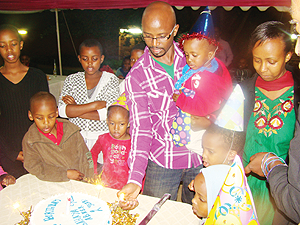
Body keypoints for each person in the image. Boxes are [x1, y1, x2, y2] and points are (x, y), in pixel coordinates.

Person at [118, 1, 202, 209]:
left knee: (199, 217)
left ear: (175, 30)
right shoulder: (137, 76)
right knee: (157, 216)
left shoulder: (194, 58)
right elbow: (141, 128)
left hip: (200, 156)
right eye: (147, 35)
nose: (154, 43)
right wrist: (136, 178)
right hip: (163, 159)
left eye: (161, 36)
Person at [244, 1, 300, 224]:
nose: (262, 68)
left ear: (288, 56)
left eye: (271, 61)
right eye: (257, 60)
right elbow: (232, 133)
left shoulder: (297, 94)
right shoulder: (246, 91)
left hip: (282, 188)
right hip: (246, 182)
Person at [170, 7, 232, 154]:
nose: (189, 60)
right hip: (192, 117)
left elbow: (204, 106)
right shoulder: (198, 68)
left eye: (194, 55)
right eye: (186, 54)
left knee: (196, 147)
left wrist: (181, 100)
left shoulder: (210, 77)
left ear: (210, 55)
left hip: (201, 123)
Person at [58, 39, 119, 166]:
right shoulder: (72, 80)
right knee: (80, 176)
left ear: (101, 59)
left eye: (94, 59)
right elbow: (62, 111)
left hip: (102, 139)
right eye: (85, 59)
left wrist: (75, 109)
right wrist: (94, 105)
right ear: (79, 58)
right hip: (76, 138)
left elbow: (107, 114)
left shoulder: (110, 80)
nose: (90, 63)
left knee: (100, 178)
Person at [0, 24, 49, 179]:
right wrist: (11, 153)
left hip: (38, 149)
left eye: (13, 44)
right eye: (3, 46)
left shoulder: (37, 76)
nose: (9, 50)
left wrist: (39, 149)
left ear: (21, 45)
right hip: (9, 153)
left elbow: (46, 116)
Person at [23, 92, 94, 182]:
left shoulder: (71, 130)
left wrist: (89, 179)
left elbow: (86, 157)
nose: (46, 122)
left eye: (51, 116)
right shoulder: (31, 140)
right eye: (40, 118)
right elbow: (34, 167)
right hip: (51, 184)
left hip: (79, 183)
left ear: (57, 112)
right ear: (30, 115)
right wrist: (65, 174)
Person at [91, 102, 130, 190]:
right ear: (107, 121)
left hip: (126, 188)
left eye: (121, 124)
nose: (116, 128)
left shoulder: (133, 143)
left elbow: (140, 166)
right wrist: (93, 172)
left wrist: (140, 186)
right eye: (112, 123)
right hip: (106, 186)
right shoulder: (103, 138)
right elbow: (92, 154)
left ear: (129, 123)